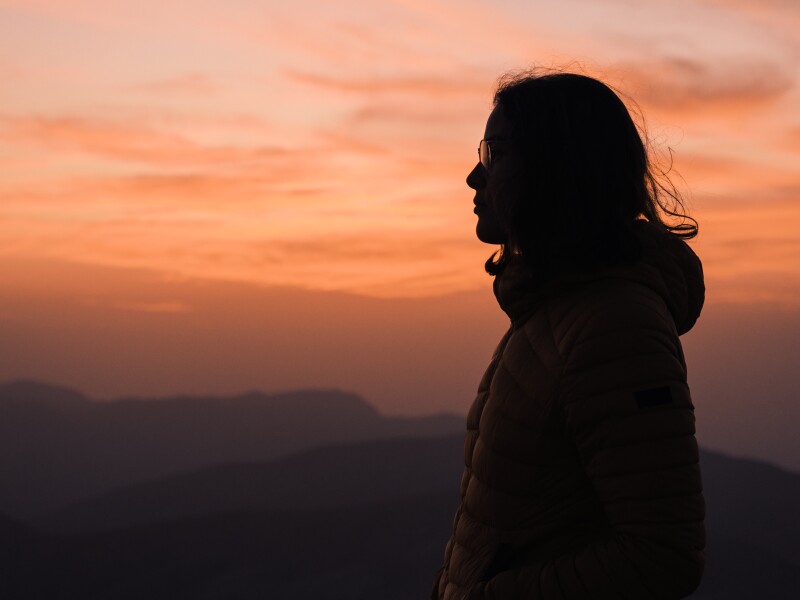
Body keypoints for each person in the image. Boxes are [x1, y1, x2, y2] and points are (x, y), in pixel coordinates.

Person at [431, 71, 706, 599]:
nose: (473, 176)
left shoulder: (615, 326)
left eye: (495, 154)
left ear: (557, 168)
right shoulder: (553, 310)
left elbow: (663, 556)